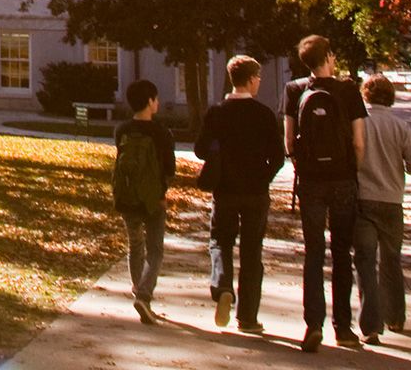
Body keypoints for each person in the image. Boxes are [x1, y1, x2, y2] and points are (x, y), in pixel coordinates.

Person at [283, 34, 367, 352]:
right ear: (329, 56)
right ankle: (343, 328)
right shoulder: (347, 90)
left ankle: (313, 324)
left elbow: (289, 141)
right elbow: (359, 142)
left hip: (311, 182)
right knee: (342, 254)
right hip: (343, 179)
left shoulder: (294, 90)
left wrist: (302, 167)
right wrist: (352, 171)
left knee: (314, 253)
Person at [194, 53, 282, 334]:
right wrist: (262, 177)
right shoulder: (264, 114)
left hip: (226, 189)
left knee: (220, 241)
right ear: (252, 79)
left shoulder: (217, 112)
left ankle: (222, 287)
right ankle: (248, 316)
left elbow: (199, 149)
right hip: (255, 191)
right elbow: (278, 156)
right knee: (252, 251)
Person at [355, 72, 411, 344]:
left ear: (366, 95)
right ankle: (395, 315)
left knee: (365, 261)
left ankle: (371, 325)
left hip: (363, 199)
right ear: (391, 98)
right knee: (391, 259)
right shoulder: (401, 127)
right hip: (392, 201)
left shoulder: (359, 123)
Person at [111, 77, 175, 325]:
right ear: (150, 101)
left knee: (135, 245)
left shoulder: (121, 130)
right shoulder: (161, 132)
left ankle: (137, 289)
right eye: (156, 98)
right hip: (153, 199)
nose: (157, 103)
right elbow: (170, 167)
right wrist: (161, 189)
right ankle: (145, 295)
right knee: (155, 249)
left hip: (127, 198)